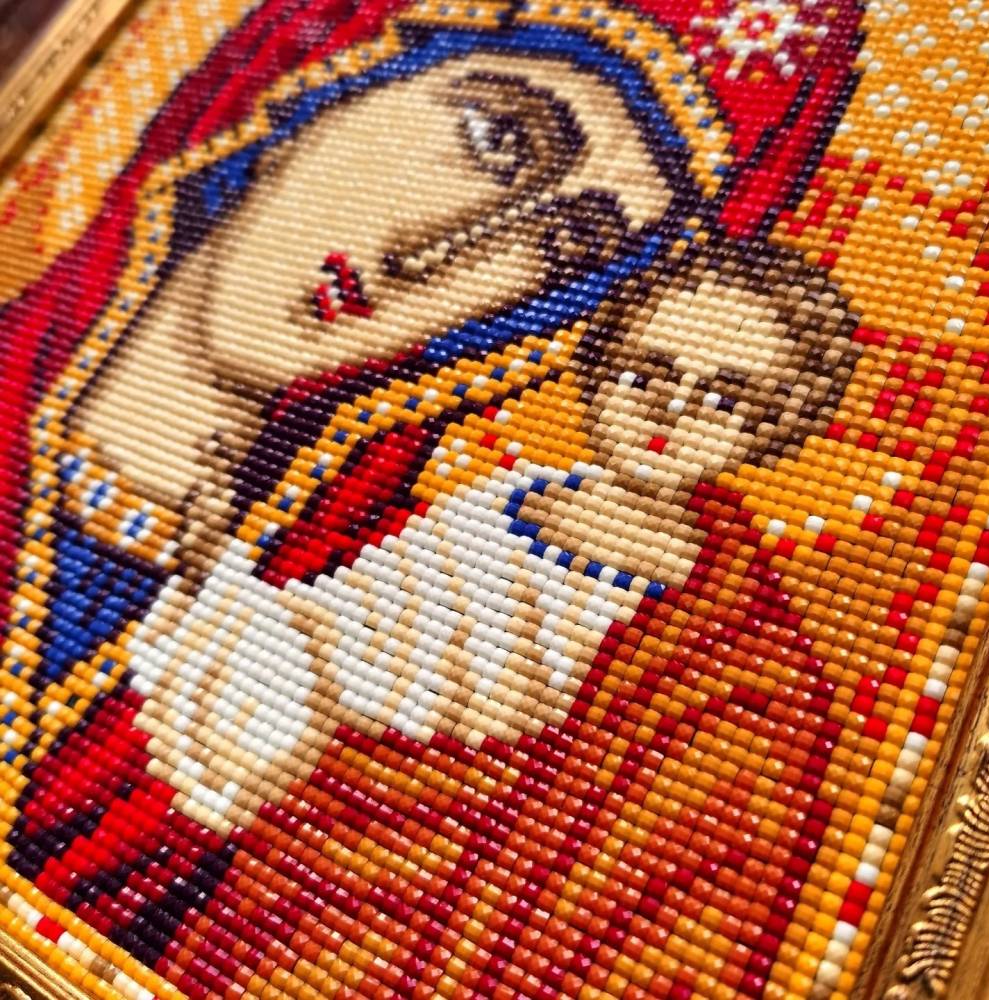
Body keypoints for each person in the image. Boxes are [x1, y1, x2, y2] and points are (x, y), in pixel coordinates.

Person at [0, 0, 865, 997]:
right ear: (336, 72)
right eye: (499, 138)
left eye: (566, 249)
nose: (444, 257)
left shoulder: (381, 610)